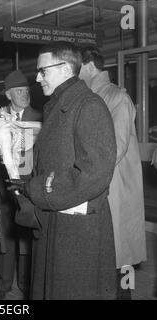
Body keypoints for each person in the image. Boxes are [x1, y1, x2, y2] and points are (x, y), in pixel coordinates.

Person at [8, 42, 117, 299]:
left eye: (42, 71)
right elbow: (54, 159)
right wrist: (23, 178)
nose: (37, 78)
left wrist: (36, 188)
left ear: (66, 68)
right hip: (59, 220)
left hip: (77, 230)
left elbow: (96, 172)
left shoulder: (88, 106)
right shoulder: (60, 106)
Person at [79, 46, 146, 299]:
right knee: (102, 259)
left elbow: (116, 148)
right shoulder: (90, 96)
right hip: (98, 189)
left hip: (115, 191)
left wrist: (84, 176)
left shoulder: (117, 97)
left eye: (78, 68)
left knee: (120, 259)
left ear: (89, 66)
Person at [0, 70, 41, 300]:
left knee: (25, 235)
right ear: (8, 94)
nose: (24, 94)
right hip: (1, 186)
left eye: (26, 90)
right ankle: (4, 284)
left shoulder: (39, 117)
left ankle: (25, 284)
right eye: (18, 91)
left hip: (27, 187)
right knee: (5, 234)